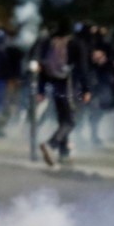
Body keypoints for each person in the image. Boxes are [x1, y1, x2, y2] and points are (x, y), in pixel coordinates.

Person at [36, 18, 91, 166]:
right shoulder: (75, 43)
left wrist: (40, 90)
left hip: (54, 85)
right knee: (70, 121)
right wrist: (86, 89)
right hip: (69, 84)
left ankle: (63, 153)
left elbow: (43, 66)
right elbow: (82, 68)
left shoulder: (50, 42)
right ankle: (51, 144)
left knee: (62, 119)